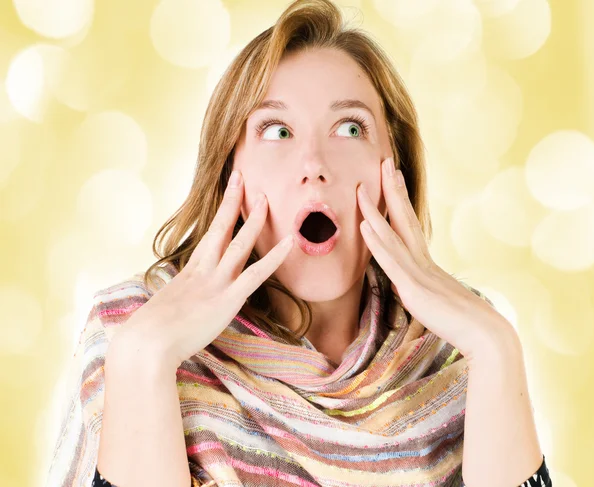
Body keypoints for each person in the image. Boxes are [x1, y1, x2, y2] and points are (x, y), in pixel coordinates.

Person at [44, 0, 552, 486]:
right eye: (277, 130)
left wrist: (496, 348)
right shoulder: (132, 330)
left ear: (391, 170)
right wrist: (142, 356)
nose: (314, 164)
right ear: (230, 174)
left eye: (349, 127)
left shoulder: (463, 343)